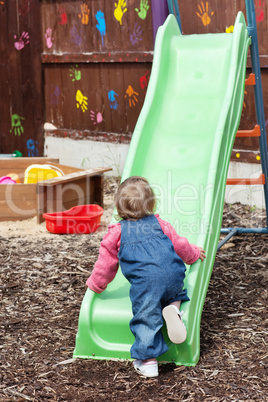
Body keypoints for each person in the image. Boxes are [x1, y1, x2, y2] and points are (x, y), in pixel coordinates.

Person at [87, 176, 206, 378]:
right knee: (175, 290)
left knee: (147, 315)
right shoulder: (161, 224)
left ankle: (149, 361)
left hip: (147, 284)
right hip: (173, 275)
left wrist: (96, 284)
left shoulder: (117, 233)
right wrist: (194, 254)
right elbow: (180, 246)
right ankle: (174, 309)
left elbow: (106, 265)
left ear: (119, 207)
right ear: (152, 204)